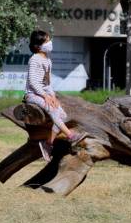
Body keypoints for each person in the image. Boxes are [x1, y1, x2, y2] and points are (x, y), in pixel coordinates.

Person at [25, 30, 86, 161]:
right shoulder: (34, 60)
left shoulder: (48, 60)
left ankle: (48, 144)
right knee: (52, 110)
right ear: (38, 45)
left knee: (62, 115)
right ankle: (71, 136)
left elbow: (47, 83)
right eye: (47, 41)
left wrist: (52, 96)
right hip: (32, 95)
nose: (50, 43)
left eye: (49, 40)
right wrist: (44, 96)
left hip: (44, 94)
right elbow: (33, 82)